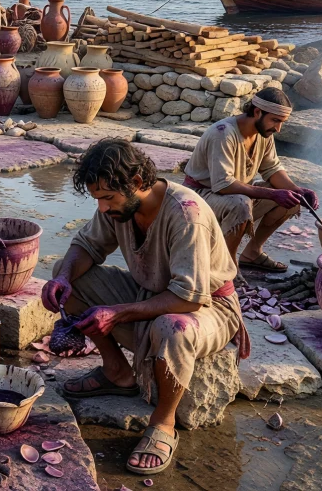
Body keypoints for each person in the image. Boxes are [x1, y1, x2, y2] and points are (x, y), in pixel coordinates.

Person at [42, 139, 247, 476]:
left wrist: (117, 313)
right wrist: (63, 276)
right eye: (98, 199)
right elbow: (86, 245)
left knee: (172, 327)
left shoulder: (186, 215)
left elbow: (189, 298)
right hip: (150, 292)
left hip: (208, 306)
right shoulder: (118, 206)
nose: (104, 208)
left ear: (136, 183)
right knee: (69, 280)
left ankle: (164, 423)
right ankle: (118, 373)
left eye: (108, 198)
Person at [182, 87, 316, 272]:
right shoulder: (223, 133)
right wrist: (273, 194)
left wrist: (297, 190)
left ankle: (252, 253)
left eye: (282, 122)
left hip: (232, 193)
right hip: (200, 196)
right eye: (275, 121)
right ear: (257, 112)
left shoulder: (263, 133)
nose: (278, 128)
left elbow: (272, 168)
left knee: (292, 199)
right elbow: (223, 185)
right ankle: (225, 266)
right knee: (241, 203)